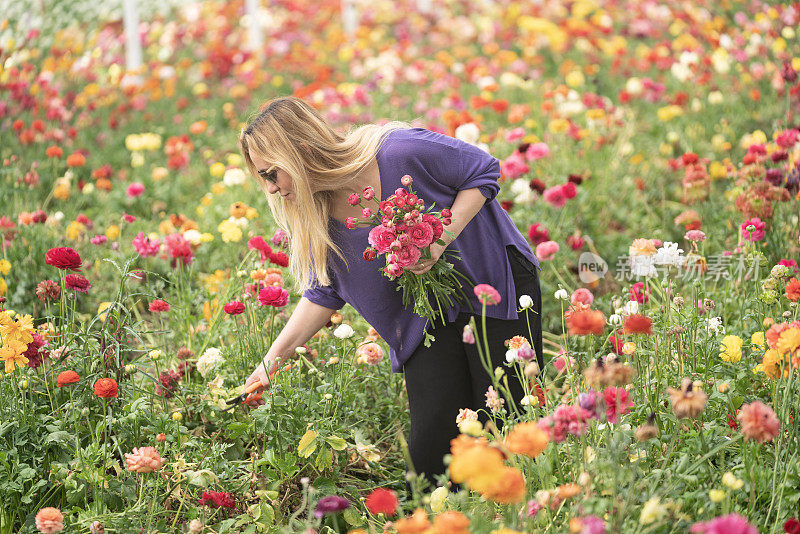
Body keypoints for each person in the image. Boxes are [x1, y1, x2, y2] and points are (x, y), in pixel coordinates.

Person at [238, 96, 543, 485]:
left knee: (504, 426)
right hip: (427, 315)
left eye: (272, 173)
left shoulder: (399, 151)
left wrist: (440, 239)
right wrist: (270, 362)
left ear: (302, 152)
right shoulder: (316, 216)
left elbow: (482, 171)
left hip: (493, 286)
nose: (271, 188)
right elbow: (323, 292)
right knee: (433, 459)